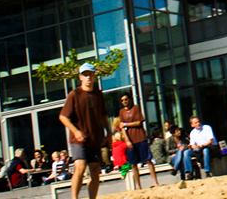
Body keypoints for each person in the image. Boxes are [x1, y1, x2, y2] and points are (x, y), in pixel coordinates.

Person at [59, 62, 110, 199]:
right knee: (80, 166)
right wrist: (75, 131)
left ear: (94, 76)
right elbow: (63, 117)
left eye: (90, 74)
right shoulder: (74, 95)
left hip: (95, 139)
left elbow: (103, 116)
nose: (88, 77)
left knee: (95, 171)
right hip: (79, 139)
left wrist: (108, 133)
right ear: (80, 77)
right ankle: (74, 197)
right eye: (85, 74)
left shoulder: (98, 94)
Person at [118, 92, 159, 189]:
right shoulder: (121, 112)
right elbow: (121, 127)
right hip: (130, 140)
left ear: (130, 99)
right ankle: (138, 185)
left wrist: (126, 124)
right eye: (122, 100)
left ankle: (155, 182)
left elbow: (139, 122)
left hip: (140, 137)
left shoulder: (136, 108)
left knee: (148, 160)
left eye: (126, 99)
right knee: (133, 164)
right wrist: (127, 140)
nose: (125, 102)